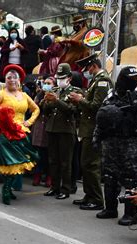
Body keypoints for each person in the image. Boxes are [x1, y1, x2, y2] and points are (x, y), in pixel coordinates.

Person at [94, 66, 137, 226]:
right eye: (131, 79)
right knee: (109, 176)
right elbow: (101, 118)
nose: (134, 82)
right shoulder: (110, 97)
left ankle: (130, 214)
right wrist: (96, 138)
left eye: (136, 79)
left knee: (130, 178)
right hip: (111, 142)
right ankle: (110, 208)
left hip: (131, 143)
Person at [0, 64, 40, 205]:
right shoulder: (0, 94)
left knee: (20, 161)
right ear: (5, 80)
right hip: (3, 131)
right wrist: (1, 113)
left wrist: (30, 121)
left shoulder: (25, 95)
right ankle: (6, 188)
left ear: (19, 80)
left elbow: (36, 109)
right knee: (10, 162)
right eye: (9, 78)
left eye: (15, 78)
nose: (12, 80)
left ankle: (8, 188)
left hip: (21, 131)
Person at [69, 53, 112, 210]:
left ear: (94, 66)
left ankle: (97, 199)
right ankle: (89, 195)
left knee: (91, 164)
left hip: (94, 128)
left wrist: (80, 100)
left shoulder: (103, 81)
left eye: (87, 68)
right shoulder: (95, 81)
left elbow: (97, 106)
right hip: (88, 128)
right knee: (85, 164)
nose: (86, 71)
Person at [42, 64, 83, 200]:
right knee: (53, 160)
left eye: (62, 77)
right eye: (58, 77)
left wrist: (57, 101)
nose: (60, 80)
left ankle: (66, 188)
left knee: (65, 161)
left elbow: (73, 111)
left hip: (66, 130)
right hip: (52, 128)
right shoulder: (54, 90)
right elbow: (45, 111)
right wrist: (46, 102)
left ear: (69, 78)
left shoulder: (76, 92)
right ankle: (54, 187)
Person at [31, 76, 54, 187]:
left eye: (49, 83)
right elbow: (34, 109)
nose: (46, 85)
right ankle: (37, 175)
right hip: (39, 127)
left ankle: (49, 176)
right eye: (45, 83)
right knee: (38, 155)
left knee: (48, 154)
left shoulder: (55, 95)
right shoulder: (39, 95)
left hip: (49, 128)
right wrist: (41, 100)